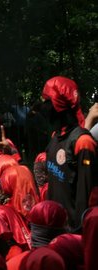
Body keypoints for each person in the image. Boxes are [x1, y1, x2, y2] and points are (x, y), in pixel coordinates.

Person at [41, 76, 97, 230]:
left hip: (72, 233)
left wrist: (77, 232)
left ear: (59, 104)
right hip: (54, 226)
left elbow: (86, 197)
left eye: (48, 101)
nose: (44, 107)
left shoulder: (83, 142)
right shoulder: (55, 137)